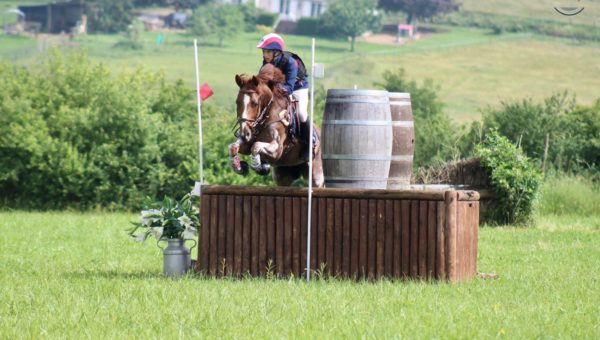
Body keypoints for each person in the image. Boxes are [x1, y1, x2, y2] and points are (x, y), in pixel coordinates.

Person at [257, 33, 312, 160]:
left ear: (276, 52)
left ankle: (307, 144)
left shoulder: (291, 62)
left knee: (302, 114)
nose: (264, 55)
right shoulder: (267, 62)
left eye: (267, 52)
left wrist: (272, 90)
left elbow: (289, 88)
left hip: (298, 88)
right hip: (278, 89)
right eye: (264, 52)